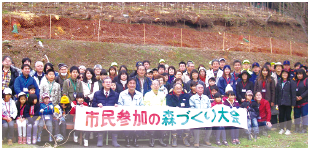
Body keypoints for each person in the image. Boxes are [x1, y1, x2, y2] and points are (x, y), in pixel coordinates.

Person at [93, 77, 120, 147]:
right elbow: (93, 104)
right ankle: (100, 139)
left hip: (112, 116)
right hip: (101, 116)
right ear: (103, 84)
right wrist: (97, 105)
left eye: (109, 82)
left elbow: (118, 104)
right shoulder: (97, 93)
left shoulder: (116, 94)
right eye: (106, 82)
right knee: (100, 122)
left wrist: (117, 105)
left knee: (115, 122)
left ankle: (114, 141)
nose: (108, 84)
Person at [118, 78, 144, 147]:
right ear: (127, 85)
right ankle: (127, 139)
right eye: (130, 83)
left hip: (137, 115)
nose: (132, 85)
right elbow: (119, 104)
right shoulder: (122, 94)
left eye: (133, 83)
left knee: (140, 122)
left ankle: (135, 140)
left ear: (135, 85)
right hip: (126, 115)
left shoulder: (139, 94)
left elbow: (142, 105)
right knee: (125, 122)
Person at [143, 80, 167, 147]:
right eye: (154, 84)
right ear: (151, 86)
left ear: (159, 86)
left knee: (163, 124)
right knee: (151, 125)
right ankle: (151, 139)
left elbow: (164, 104)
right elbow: (145, 104)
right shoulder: (147, 94)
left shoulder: (162, 94)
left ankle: (160, 139)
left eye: (157, 84)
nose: (156, 86)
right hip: (150, 113)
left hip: (160, 113)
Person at [276, 69, 296, 135]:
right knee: (281, 116)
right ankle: (282, 128)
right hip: (280, 102)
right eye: (283, 73)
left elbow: (293, 93)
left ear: (288, 74)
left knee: (288, 116)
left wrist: (293, 103)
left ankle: (288, 129)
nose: (284, 75)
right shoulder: (279, 82)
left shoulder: (291, 82)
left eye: (286, 73)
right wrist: (276, 102)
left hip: (288, 102)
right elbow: (277, 93)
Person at [293, 69, 308, 133]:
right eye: (298, 74)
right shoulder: (295, 81)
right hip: (296, 101)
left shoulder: (306, 81)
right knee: (296, 115)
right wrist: (295, 97)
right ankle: (297, 127)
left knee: (304, 115)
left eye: (300, 74)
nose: (299, 76)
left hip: (304, 101)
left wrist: (301, 97)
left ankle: (304, 128)